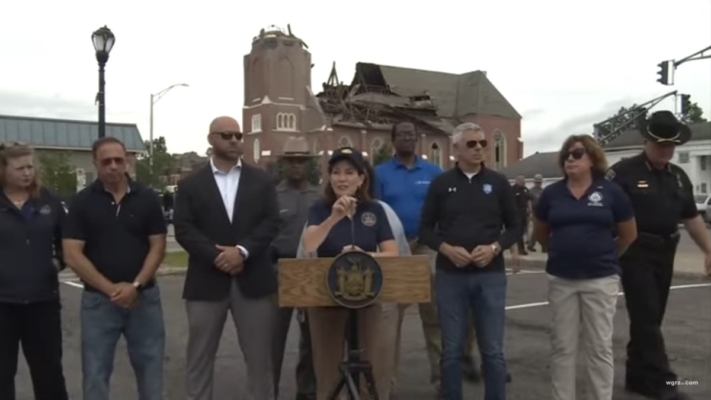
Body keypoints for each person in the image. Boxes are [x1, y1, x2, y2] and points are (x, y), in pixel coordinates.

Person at [174, 116, 281, 400]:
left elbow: (271, 222)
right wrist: (216, 256)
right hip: (206, 282)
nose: (234, 140)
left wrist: (242, 251)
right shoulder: (190, 184)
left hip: (253, 280)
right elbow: (184, 228)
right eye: (226, 135)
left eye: (238, 135)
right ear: (211, 140)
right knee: (199, 359)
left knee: (260, 361)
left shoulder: (261, 180)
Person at [606, 111, 711, 400]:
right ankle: (663, 382)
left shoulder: (678, 177)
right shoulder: (623, 172)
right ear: (646, 141)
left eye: (671, 146)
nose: (666, 151)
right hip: (635, 250)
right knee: (647, 315)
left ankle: (638, 377)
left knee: (652, 317)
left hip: (667, 251)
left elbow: (691, 217)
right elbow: (604, 214)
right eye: (660, 145)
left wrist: (708, 251)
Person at [374, 121, 481, 395]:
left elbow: (446, 211)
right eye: (402, 134)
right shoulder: (379, 174)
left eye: (412, 135)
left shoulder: (434, 172)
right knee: (389, 322)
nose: (408, 138)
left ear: (417, 139)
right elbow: (374, 213)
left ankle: (442, 381)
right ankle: (386, 384)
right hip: (393, 250)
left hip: (428, 249)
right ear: (393, 139)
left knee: (435, 317)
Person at [419, 122, 521, 400]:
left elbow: (515, 227)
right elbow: (425, 229)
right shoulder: (441, 184)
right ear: (456, 149)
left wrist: (496, 247)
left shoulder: (498, 183)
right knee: (451, 350)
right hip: (450, 276)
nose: (479, 148)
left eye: (482, 143)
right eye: (472, 144)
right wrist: (445, 249)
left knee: (493, 350)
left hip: (490, 276)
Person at [62, 137, 168, 400]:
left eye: (118, 160)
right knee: (95, 374)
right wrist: (112, 290)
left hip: (144, 300)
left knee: (151, 372)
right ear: (95, 163)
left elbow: (158, 246)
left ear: (127, 162)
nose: (113, 166)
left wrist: (135, 286)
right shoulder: (81, 202)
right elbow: (72, 255)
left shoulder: (147, 198)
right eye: (106, 161)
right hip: (98, 303)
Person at [533, 135, 637, 400]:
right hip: (562, 280)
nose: (570, 158)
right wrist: (561, 251)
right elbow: (541, 232)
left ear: (592, 159)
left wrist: (606, 256)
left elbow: (628, 234)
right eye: (566, 154)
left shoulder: (611, 192)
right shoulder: (552, 193)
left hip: (600, 280)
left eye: (577, 154)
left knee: (599, 347)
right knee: (563, 347)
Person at [301, 146, 399, 400]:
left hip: (367, 296)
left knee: (372, 371)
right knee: (328, 373)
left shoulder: (375, 210)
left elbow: (391, 253)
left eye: (349, 172)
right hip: (326, 298)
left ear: (361, 178)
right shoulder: (320, 209)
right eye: (336, 172)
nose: (341, 178)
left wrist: (365, 256)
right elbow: (310, 244)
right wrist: (334, 217)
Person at [0, 143, 69, 400]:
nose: (27, 173)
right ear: (4, 170)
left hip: (43, 303)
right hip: (3, 305)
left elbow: (68, 242)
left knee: (49, 373)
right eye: (19, 168)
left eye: (30, 167)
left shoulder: (48, 201)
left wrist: (57, 263)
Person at [270, 137, 319, 400]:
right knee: (273, 341)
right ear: (284, 164)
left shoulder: (320, 196)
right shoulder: (272, 196)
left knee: (312, 341)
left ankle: (307, 392)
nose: (297, 165)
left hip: (312, 273)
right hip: (280, 271)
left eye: (302, 160)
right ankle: (269, 392)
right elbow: (264, 236)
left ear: (309, 164)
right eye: (292, 160)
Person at [526, 174, 546, 252]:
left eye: (539, 182)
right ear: (534, 182)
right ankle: (531, 245)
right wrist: (530, 211)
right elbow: (529, 201)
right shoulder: (531, 191)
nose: (538, 183)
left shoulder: (543, 191)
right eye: (537, 182)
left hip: (543, 212)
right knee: (536, 230)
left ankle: (544, 246)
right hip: (534, 212)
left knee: (543, 230)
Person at [511, 174, 530, 255]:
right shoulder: (512, 189)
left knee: (523, 231)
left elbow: (528, 200)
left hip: (524, 212)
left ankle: (516, 247)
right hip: (516, 212)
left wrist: (529, 209)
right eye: (520, 179)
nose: (522, 181)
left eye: (523, 180)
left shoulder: (525, 189)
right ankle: (520, 249)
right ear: (516, 180)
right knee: (518, 231)